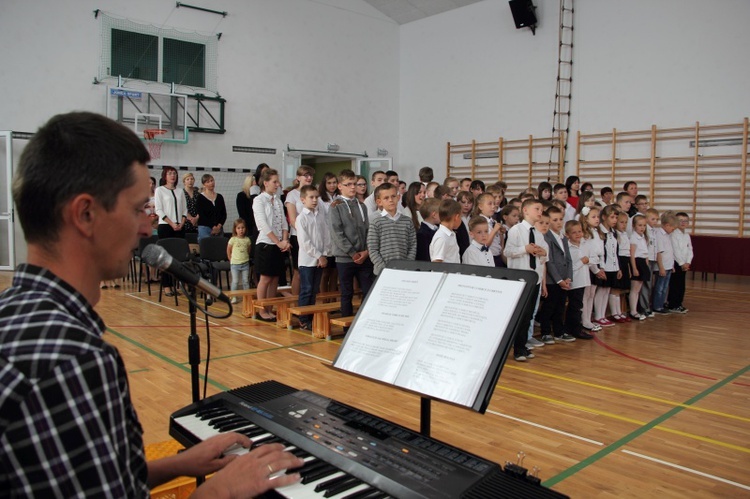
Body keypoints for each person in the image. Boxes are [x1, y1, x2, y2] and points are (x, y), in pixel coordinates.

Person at [0, 111, 303, 497]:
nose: (147, 227)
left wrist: (177, 465)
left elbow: (86, 479)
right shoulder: (70, 358)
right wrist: (219, 491)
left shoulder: (17, 310)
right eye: (138, 208)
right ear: (85, 214)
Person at [504, 198, 546, 361]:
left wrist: (543, 252)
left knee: (528, 314)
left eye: (541, 209)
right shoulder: (516, 230)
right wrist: (525, 249)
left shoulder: (538, 232)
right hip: (520, 279)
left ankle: (522, 346)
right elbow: (508, 251)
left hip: (534, 278)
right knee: (521, 314)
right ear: (526, 210)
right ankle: (517, 349)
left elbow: (544, 252)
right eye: (537, 208)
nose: (540, 212)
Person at [329, 169, 373, 321]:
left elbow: (368, 230)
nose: (353, 187)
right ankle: (346, 324)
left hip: (364, 256)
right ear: (340, 186)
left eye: (354, 184)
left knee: (368, 291)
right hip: (345, 258)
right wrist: (352, 253)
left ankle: (364, 320)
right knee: (347, 292)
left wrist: (366, 251)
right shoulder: (336, 206)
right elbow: (337, 233)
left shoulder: (362, 206)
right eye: (348, 184)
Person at [253, 168, 290, 321]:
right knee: (265, 278)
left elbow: (284, 223)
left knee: (275, 278)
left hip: (279, 244)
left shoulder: (278, 201)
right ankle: (261, 309)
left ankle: (269, 308)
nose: (277, 184)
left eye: (278, 181)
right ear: (266, 183)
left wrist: (285, 240)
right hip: (266, 244)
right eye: (274, 182)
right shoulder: (259, 200)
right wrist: (278, 242)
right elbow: (263, 224)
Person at [295, 185, 331, 331]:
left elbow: (326, 236)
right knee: (307, 289)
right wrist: (318, 255)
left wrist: (325, 254)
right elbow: (304, 242)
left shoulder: (320, 215)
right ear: (303, 200)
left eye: (317, 197)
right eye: (311, 197)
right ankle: (303, 319)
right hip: (307, 261)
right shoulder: (301, 218)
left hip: (320, 259)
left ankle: (310, 317)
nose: (315, 200)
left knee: (314, 290)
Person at [538, 205, 576, 344]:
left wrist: (568, 277)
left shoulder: (563, 237)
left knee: (560, 306)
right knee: (549, 307)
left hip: (563, 278)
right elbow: (550, 262)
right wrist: (559, 280)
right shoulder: (546, 237)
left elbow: (569, 259)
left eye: (561, 219)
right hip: (552, 279)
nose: (559, 222)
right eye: (555, 220)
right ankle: (546, 332)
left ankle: (559, 331)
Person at [367, 183, 417, 276]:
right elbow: (373, 249)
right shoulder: (376, 222)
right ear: (379, 202)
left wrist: (407, 265)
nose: (390, 200)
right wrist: (384, 268)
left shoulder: (407, 221)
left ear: (398, 198)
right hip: (382, 272)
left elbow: (412, 245)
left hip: (404, 271)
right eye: (386, 198)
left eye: (393, 196)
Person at [154, 165, 187, 297]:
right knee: (166, 258)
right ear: (165, 176)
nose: (172, 176)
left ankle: (176, 284)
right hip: (166, 226)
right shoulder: (160, 190)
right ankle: (167, 285)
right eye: (169, 174)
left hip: (179, 227)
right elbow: (159, 210)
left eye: (174, 173)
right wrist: (172, 223)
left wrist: (181, 223)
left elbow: (184, 209)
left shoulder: (180, 191)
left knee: (177, 258)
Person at [285, 165, 316, 296]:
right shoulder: (292, 195)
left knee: (313, 269)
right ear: (298, 178)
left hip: (313, 236)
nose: (309, 178)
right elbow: (292, 220)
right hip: (298, 235)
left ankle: (309, 300)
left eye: (310, 175)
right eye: (306, 175)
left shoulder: (313, 192)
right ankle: (296, 301)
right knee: (299, 271)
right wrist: (304, 232)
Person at [592, 205, 622, 327]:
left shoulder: (613, 232)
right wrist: (600, 267)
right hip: (603, 266)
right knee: (601, 290)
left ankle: (602, 315)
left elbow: (615, 251)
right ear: (604, 217)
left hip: (613, 266)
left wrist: (618, 267)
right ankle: (598, 315)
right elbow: (600, 251)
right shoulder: (600, 231)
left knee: (607, 290)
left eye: (616, 217)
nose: (615, 220)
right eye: (612, 217)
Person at [565, 220, 594, 339]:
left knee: (578, 305)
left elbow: (592, 258)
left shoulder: (585, 244)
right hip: (574, 281)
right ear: (567, 234)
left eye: (579, 231)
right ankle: (574, 329)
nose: (578, 234)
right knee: (575, 306)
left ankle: (574, 327)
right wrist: (582, 261)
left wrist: (588, 261)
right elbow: (570, 266)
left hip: (584, 279)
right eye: (574, 232)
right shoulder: (568, 248)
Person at [579, 206, 604, 332]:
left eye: (598, 216)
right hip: (588, 266)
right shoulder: (585, 234)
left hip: (596, 265)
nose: (597, 219)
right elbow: (586, 253)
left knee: (591, 294)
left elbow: (600, 251)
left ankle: (588, 319)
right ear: (586, 218)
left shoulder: (596, 232)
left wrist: (601, 266)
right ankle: (585, 320)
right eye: (593, 217)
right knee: (586, 294)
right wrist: (595, 269)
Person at [652, 211, 678, 314]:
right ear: (667, 225)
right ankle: (657, 306)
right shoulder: (659, 234)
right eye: (673, 228)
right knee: (659, 287)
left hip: (668, 266)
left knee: (664, 287)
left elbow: (669, 251)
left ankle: (661, 304)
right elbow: (659, 252)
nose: (673, 230)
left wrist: (671, 265)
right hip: (662, 267)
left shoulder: (668, 235)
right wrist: (661, 267)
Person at [668, 212, 693, 313]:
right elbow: (675, 250)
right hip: (677, 263)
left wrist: (688, 262)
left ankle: (679, 303)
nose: (683, 223)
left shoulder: (686, 235)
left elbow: (690, 249)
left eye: (685, 221)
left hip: (684, 264)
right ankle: (673, 304)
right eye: (680, 221)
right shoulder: (674, 234)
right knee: (675, 284)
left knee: (681, 285)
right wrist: (682, 263)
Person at [629, 214, 650, 321]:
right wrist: (634, 268)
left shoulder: (642, 237)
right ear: (634, 226)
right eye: (640, 225)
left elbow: (645, 252)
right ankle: (633, 311)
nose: (642, 228)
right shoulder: (634, 237)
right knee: (634, 289)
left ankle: (636, 309)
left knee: (638, 289)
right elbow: (632, 254)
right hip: (637, 262)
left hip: (642, 262)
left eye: (644, 225)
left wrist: (646, 262)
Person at [475, 193, 504, 267]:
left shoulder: (493, 221)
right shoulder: (479, 222)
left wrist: (501, 234)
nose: (493, 206)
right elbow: (485, 245)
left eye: (494, 204)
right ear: (480, 206)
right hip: (487, 257)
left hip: (497, 256)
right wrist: (494, 231)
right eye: (489, 204)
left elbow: (499, 244)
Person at [227, 218, 252, 303]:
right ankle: (233, 297)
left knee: (245, 281)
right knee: (235, 281)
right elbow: (229, 250)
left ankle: (247, 297)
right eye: (238, 228)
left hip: (245, 264)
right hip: (235, 264)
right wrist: (231, 259)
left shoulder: (247, 240)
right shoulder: (233, 239)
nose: (241, 230)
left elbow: (248, 250)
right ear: (235, 229)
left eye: (242, 228)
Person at [429, 199, 462, 264]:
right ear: (456, 217)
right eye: (461, 217)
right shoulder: (441, 238)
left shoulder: (451, 234)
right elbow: (437, 263)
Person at [196, 174, 227, 242]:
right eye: (208, 182)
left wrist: (219, 226)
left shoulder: (219, 197)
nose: (211, 183)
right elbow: (202, 215)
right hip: (205, 228)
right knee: (206, 249)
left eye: (212, 180)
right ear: (204, 184)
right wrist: (213, 226)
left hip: (219, 228)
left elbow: (223, 214)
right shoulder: (200, 198)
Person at [416, 197, 440, 262]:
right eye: (440, 213)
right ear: (434, 215)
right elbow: (424, 257)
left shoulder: (438, 229)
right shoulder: (422, 234)